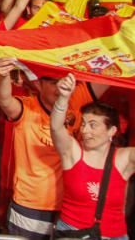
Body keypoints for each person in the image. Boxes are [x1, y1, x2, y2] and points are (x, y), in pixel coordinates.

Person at [0, 55, 95, 239]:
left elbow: (107, 75)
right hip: (30, 205)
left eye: (64, 81)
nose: (60, 88)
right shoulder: (26, 108)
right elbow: (5, 100)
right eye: (53, 83)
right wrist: (3, 76)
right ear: (39, 84)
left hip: (68, 207)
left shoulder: (75, 99)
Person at [51, 74, 134, 239]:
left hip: (114, 235)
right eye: (83, 124)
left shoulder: (125, 157)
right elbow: (56, 128)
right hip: (73, 233)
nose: (85, 131)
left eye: (93, 125)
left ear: (112, 131)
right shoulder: (73, 152)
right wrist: (63, 98)